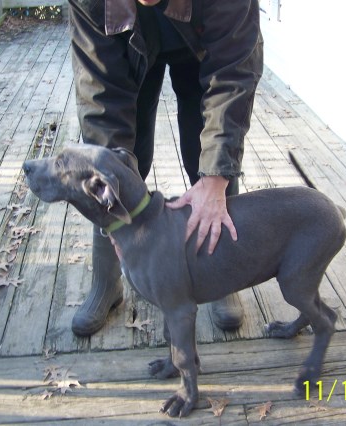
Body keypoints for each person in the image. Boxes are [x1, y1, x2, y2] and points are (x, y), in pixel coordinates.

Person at [68, 0, 263, 336]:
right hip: (124, 46)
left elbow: (233, 78)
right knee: (120, 161)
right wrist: (111, 178)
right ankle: (107, 281)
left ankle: (222, 275)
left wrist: (215, 178)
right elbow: (100, 95)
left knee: (209, 155)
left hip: (205, 45)